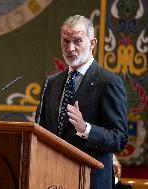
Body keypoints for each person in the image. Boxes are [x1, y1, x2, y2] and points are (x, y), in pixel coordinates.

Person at [35, 15, 128, 189]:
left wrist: (86, 129)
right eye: (65, 41)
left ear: (92, 43)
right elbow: (41, 131)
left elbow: (119, 139)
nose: (70, 48)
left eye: (77, 41)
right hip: (53, 179)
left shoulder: (108, 82)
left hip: (91, 181)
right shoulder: (51, 83)